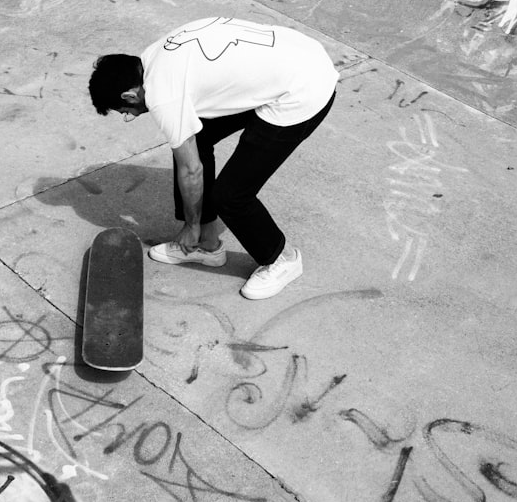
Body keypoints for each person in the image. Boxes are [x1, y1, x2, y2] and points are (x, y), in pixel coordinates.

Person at [88, 16, 339, 299]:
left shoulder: (162, 94)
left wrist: (191, 224)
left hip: (303, 90)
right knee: (195, 136)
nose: (128, 117)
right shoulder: (152, 56)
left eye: (124, 111)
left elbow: (192, 170)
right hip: (302, 54)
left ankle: (282, 258)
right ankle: (206, 245)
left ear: (130, 95)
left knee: (231, 195)